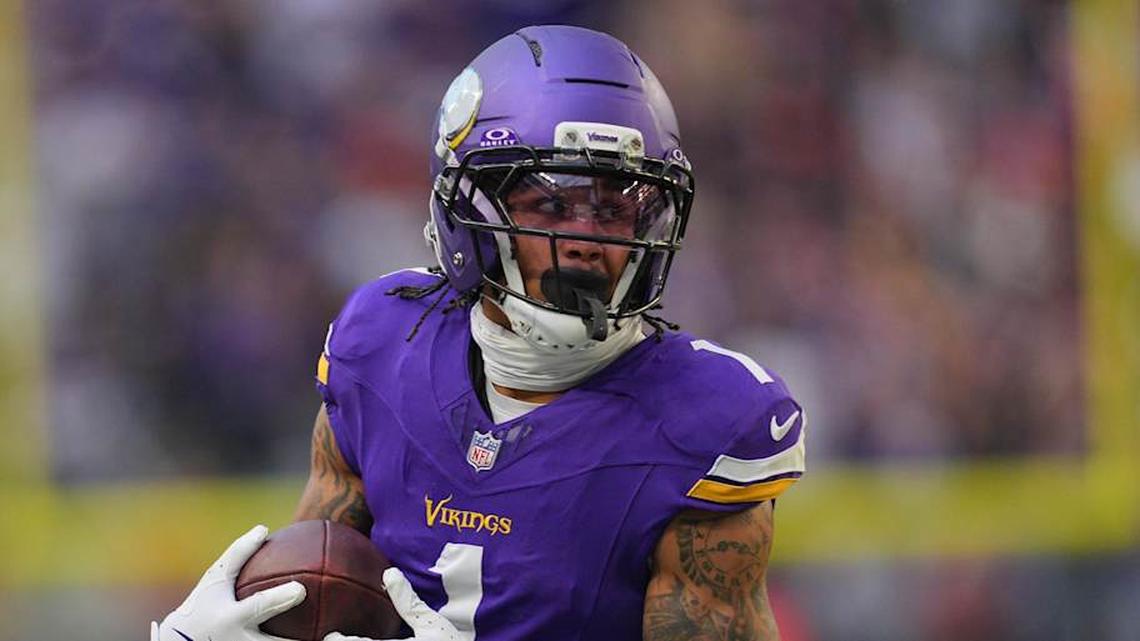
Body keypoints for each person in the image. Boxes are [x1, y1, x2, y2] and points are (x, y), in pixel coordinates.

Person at [152, 25, 806, 641]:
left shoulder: (705, 422)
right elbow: (316, 586)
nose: (583, 240)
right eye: (550, 204)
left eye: (613, 208)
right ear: (467, 209)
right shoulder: (383, 342)